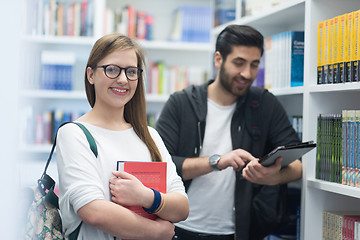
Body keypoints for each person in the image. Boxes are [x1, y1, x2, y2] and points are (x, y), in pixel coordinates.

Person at [155, 24, 303, 240]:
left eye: (254, 65)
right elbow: (160, 166)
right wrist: (217, 161)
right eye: (239, 63)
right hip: (179, 229)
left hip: (238, 232)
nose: (247, 73)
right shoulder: (181, 103)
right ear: (218, 59)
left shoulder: (265, 104)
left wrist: (272, 178)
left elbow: (298, 165)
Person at [56, 33, 189, 240]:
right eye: (112, 69)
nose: (123, 79)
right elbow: (93, 211)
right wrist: (156, 232)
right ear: (90, 75)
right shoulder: (74, 134)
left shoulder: (150, 135)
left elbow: (181, 207)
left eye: (131, 72)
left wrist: (145, 196)